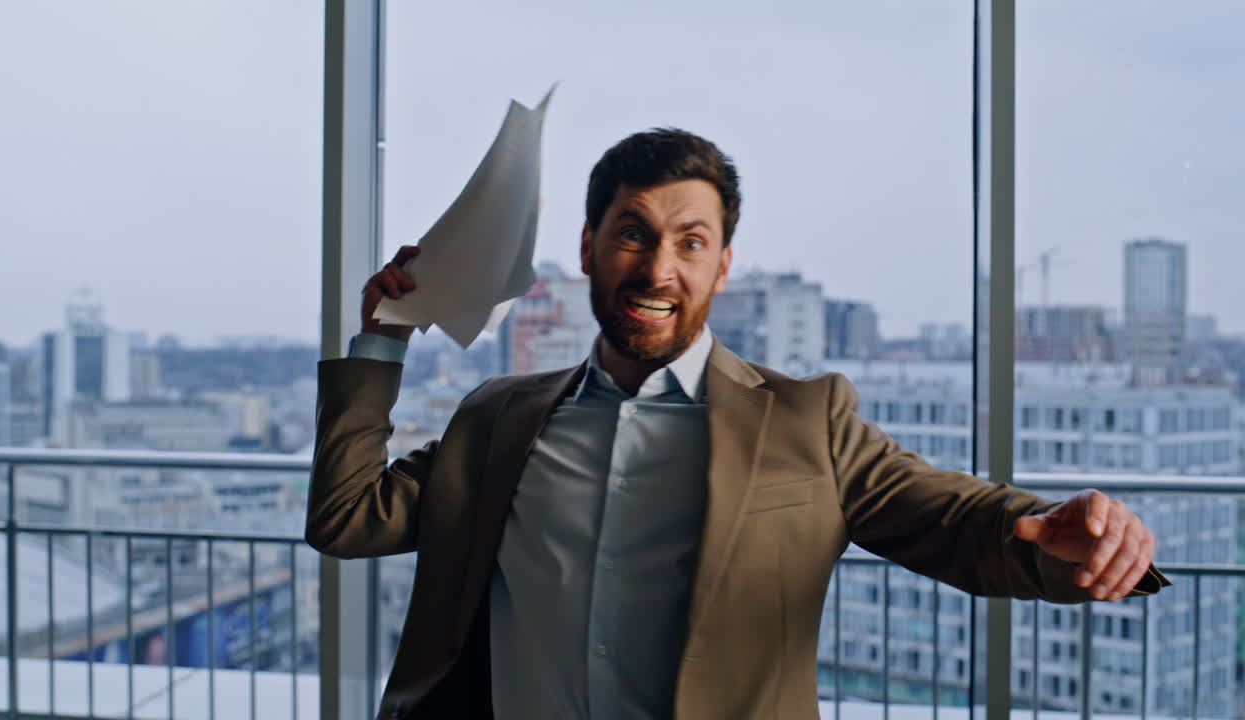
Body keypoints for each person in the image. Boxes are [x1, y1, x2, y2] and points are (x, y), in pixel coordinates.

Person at [306, 128, 1168, 720]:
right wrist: (379, 343)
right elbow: (347, 519)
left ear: (724, 264)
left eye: (690, 242)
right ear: (586, 248)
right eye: (631, 234)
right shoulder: (498, 417)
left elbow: (954, 519)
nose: (657, 267)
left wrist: (1061, 537)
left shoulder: (805, 419)